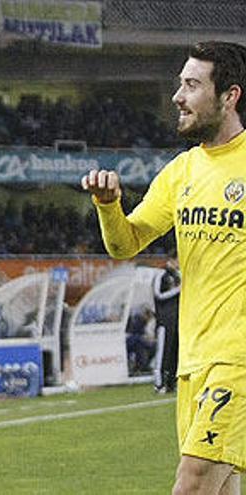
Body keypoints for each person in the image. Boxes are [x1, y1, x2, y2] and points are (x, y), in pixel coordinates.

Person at [81, 41, 246, 495]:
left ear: (229, 96)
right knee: (222, 487)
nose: (178, 96)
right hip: (194, 362)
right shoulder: (181, 172)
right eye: (180, 84)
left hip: (237, 358)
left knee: (191, 484)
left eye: (192, 85)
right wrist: (109, 206)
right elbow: (125, 244)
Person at [154, 258, 181, 393]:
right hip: (164, 320)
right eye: (177, 260)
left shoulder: (177, 275)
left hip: (176, 319)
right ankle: (159, 383)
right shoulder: (161, 274)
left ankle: (171, 382)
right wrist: (177, 290)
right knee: (163, 352)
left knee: (174, 351)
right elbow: (158, 294)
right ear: (171, 259)